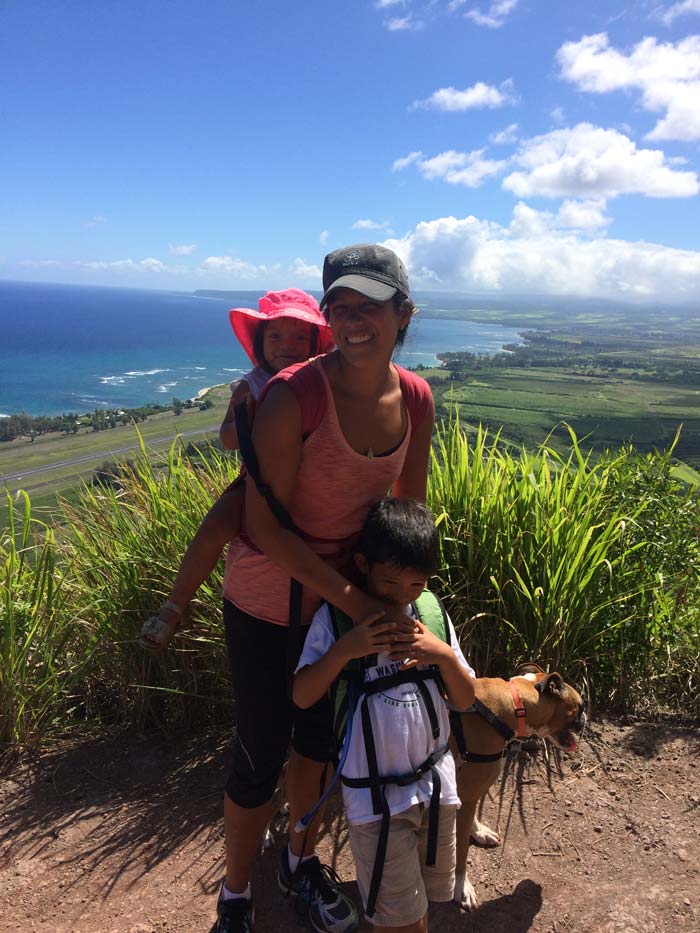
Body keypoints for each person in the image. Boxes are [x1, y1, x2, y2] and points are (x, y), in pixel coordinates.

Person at [216, 244, 435, 933]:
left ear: (404, 313)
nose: (351, 318)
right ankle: (235, 895)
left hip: (346, 607)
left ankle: (298, 863)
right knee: (259, 752)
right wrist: (359, 602)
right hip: (267, 601)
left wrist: (405, 599)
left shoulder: (417, 398)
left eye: (369, 304)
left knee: (316, 743)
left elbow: (408, 514)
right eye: (338, 305)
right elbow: (262, 528)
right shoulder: (295, 396)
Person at [294, 498, 475, 933]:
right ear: (362, 564)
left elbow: (466, 699)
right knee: (399, 918)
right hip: (376, 803)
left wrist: (444, 656)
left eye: (415, 585)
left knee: (422, 901)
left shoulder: (430, 613)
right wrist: (348, 649)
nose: (400, 597)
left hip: (437, 791)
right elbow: (302, 695)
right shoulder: (337, 622)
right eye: (390, 582)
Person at [138, 288, 334, 651]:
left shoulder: (322, 382)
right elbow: (227, 438)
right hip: (258, 483)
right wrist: (248, 418)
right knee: (214, 527)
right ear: (261, 342)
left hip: (310, 480)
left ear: (315, 342)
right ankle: (174, 606)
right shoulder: (252, 384)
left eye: (298, 336)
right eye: (275, 335)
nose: (286, 345)